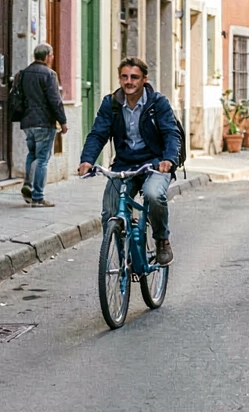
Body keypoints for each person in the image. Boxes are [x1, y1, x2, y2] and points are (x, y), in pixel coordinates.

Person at [78, 57, 183, 266]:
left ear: (144, 79)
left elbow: (171, 133)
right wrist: (87, 160)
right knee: (110, 210)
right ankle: (122, 246)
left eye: (134, 77)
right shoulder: (112, 104)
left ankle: (162, 240)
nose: (129, 81)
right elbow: (98, 134)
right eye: (124, 77)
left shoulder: (157, 103)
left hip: (154, 163)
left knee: (153, 195)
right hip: (125, 164)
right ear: (119, 78)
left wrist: (169, 159)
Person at [18, 43, 68, 207]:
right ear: (47, 56)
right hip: (44, 123)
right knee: (42, 159)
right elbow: (55, 101)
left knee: (32, 154)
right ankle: (38, 196)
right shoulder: (49, 74)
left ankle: (28, 184)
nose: (52, 58)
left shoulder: (24, 73)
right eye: (52, 55)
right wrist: (63, 121)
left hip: (27, 122)